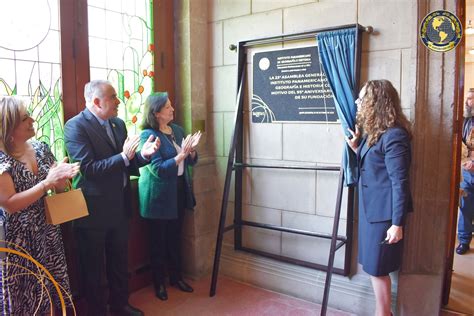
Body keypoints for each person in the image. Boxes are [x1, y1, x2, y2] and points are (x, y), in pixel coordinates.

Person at [64, 80, 160, 316]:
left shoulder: (117, 123)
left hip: (120, 206)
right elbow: (88, 168)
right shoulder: (75, 127)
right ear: (96, 102)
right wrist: (125, 157)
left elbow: (126, 163)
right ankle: (97, 311)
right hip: (92, 211)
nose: (119, 101)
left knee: (119, 262)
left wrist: (144, 156)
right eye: (113, 97)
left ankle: (120, 305)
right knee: (93, 269)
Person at [0, 96, 80, 314]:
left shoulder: (41, 148)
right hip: (18, 240)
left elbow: (58, 189)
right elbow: (9, 204)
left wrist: (61, 182)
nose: (32, 120)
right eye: (25, 118)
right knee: (24, 298)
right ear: (9, 127)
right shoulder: (1, 158)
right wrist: (47, 183)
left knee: (54, 289)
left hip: (47, 231)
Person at [345, 80, 413, 316]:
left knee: (377, 268)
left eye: (362, 98)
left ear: (376, 102)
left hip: (385, 215)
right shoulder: (376, 133)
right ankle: (384, 313)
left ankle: (383, 314)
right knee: (375, 267)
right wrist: (356, 148)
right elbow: (373, 164)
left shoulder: (395, 135)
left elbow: (399, 182)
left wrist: (397, 223)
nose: (358, 102)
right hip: (370, 212)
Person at [138, 92, 200, 301]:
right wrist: (182, 154)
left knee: (175, 238)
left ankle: (176, 277)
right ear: (156, 113)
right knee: (158, 243)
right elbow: (159, 170)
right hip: (158, 195)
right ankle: (159, 284)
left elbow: (191, 162)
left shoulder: (178, 130)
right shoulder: (148, 135)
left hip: (179, 191)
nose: (172, 109)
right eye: (167, 107)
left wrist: (190, 153)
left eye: (171, 106)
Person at [456, 88, 474, 255]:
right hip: (467, 171)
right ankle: (464, 240)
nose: (470, 102)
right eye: (468, 99)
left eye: (472, 99)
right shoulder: (464, 121)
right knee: (465, 205)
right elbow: (458, 143)